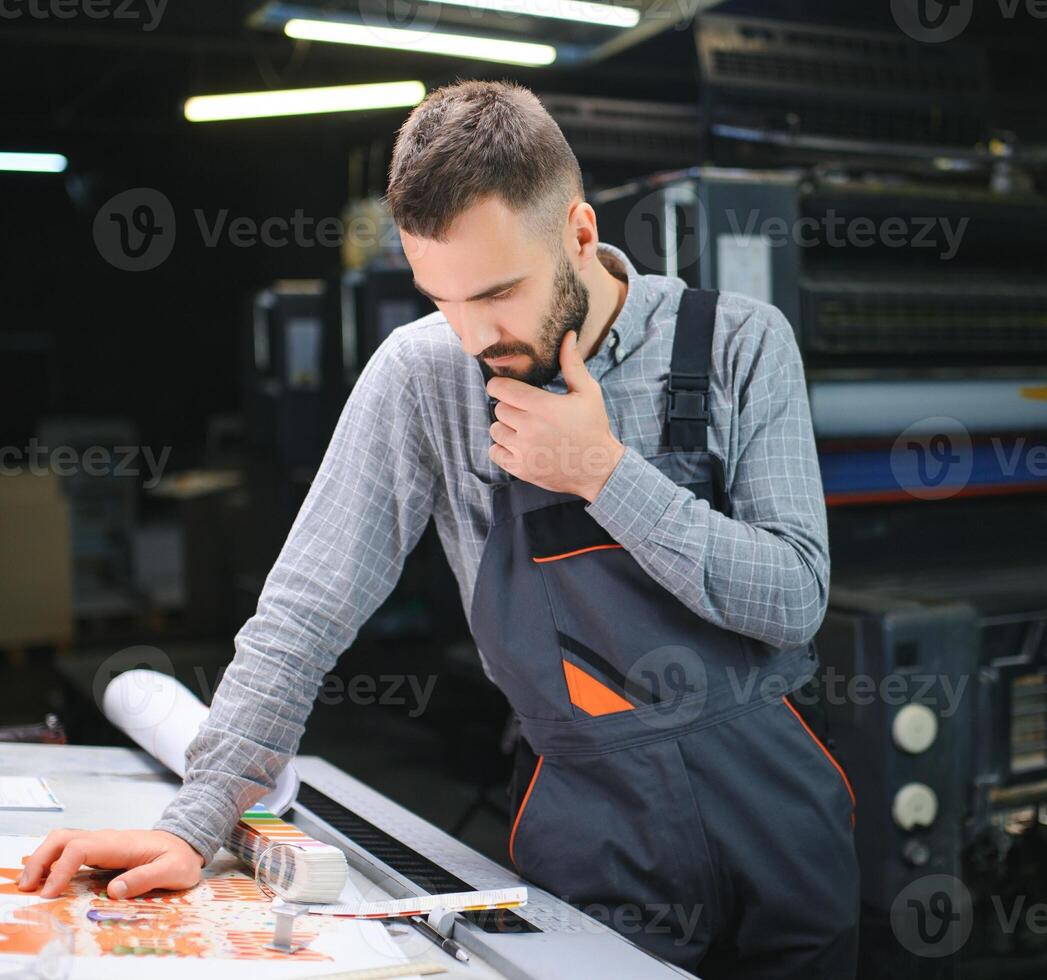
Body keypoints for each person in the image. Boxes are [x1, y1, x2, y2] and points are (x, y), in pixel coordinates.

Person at [19, 80, 859, 978]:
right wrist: (192, 826)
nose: (470, 338)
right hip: (596, 838)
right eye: (441, 300)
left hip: (775, 818)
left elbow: (793, 599)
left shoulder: (741, 344)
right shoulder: (423, 377)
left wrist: (601, 474)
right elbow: (302, 614)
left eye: (495, 296)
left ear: (578, 233)